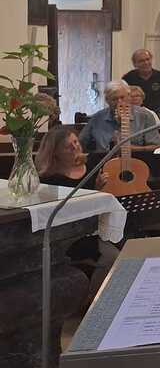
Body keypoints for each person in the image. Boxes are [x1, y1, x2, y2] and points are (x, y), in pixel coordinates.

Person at [35, 126, 117, 303]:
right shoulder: (48, 179)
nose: (75, 147)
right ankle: (91, 302)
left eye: (76, 142)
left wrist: (98, 189)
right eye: (68, 146)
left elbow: (100, 204)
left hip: (95, 228)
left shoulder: (93, 166)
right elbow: (55, 212)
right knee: (112, 257)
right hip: (67, 234)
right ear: (55, 153)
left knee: (128, 246)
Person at [80, 80, 160, 152]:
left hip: (137, 160)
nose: (119, 102)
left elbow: (155, 146)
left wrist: (132, 149)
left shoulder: (145, 116)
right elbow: (80, 143)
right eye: (114, 99)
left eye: (122, 97)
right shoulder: (97, 118)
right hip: (104, 160)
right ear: (107, 100)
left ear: (129, 97)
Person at [121, 49, 160, 119]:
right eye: (141, 61)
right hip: (136, 113)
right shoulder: (128, 78)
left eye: (148, 59)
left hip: (158, 113)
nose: (146, 63)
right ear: (135, 64)